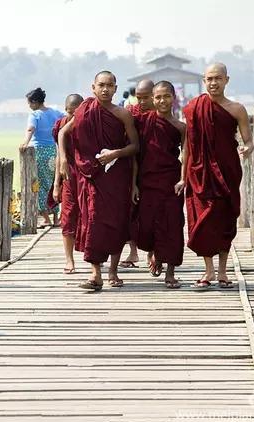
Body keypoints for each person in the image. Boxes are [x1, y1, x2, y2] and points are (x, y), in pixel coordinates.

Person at [58, 71, 140, 291]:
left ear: (115, 88)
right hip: (91, 176)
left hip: (116, 176)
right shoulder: (84, 109)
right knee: (92, 220)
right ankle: (96, 274)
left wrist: (115, 153)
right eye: (101, 85)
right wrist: (64, 159)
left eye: (109, 85)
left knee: (116, 222)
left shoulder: (122, 114)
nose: (105, 89)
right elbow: (63, 133)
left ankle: (113, 270)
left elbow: (135, 146)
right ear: (93, 87)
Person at [182, 63, 254, 289]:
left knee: (225, 219)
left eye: (218, 78)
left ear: (226, 80)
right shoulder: (194, 108)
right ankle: (209, 270)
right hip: (199, 172)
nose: (213, 83)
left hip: (227, 172)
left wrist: (247, 148)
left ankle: (222, 271)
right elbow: (188, 145)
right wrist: (183, 176)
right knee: (202, 220)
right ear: (204, 81)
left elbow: (248, 140)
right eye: (209, 79)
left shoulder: (237, 109)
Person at [131, 81, 186, 288]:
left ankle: (170, 272)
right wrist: (134, 183)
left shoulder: (180, 127)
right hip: (147, 181)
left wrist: (183, 179)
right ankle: (154, 253)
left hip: (171, 182)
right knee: (146, 224)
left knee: (172, 225)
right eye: (158, 97)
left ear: (174, 98)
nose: (163, 101)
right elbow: (135, 155)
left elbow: (186, 155)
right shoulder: (142, 121)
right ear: (153, 99)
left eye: (167, 96)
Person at [122, 79, 156, 270]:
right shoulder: (132, 113)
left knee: (153, 212)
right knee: (131, 212)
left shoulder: (162, 114)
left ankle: (152, 251)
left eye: (146, 97)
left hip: (156, 169)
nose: (142, 102)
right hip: (132, 166)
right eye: (139, 97)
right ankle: (133, 251)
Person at [20, 87, 65, 227]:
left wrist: (25, 142)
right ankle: (56, 217)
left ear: (34, 102)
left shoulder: (35, 115)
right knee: (52, 183)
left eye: (29, 103)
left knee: (38, 184)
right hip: (53, 152)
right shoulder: (55, 112)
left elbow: (31, 129)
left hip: (39, 152)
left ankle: (46, 218)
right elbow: (67, 118)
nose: (29, 106)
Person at [51, 93, 84, 274]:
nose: (73, 117)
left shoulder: (88, 124)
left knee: (90, 216)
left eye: (76, 113)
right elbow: (59, 157)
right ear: (65, 110)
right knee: (68, 218)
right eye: (70, 112)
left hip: (88, 175)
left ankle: (93, 255)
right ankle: (69, 259)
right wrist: (57, 184)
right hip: (69, 178)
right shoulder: (61, 125)